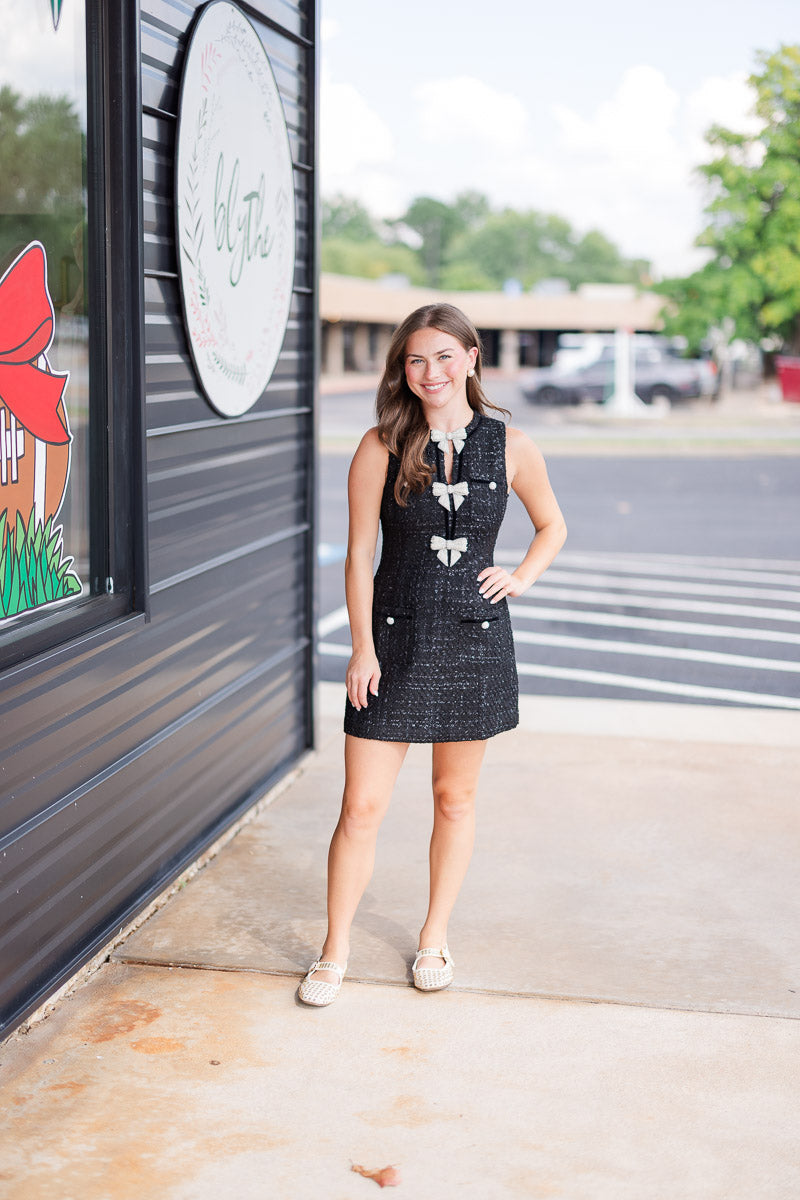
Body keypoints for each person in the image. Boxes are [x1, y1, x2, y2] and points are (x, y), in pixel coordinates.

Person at [299, 303, 567, 1006]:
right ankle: (335, 950)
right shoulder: (381, 444)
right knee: (361, 806)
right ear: (402, 370)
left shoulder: (509, 445)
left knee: (455, 799)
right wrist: (362, 646)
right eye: (416, 360)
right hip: (393, 638)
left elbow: (552, 524)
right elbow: (359, 555)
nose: (431, 372)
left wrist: (521, 576)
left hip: (475, 640)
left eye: (445, 356)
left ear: (473, 358)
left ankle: (434, 936)